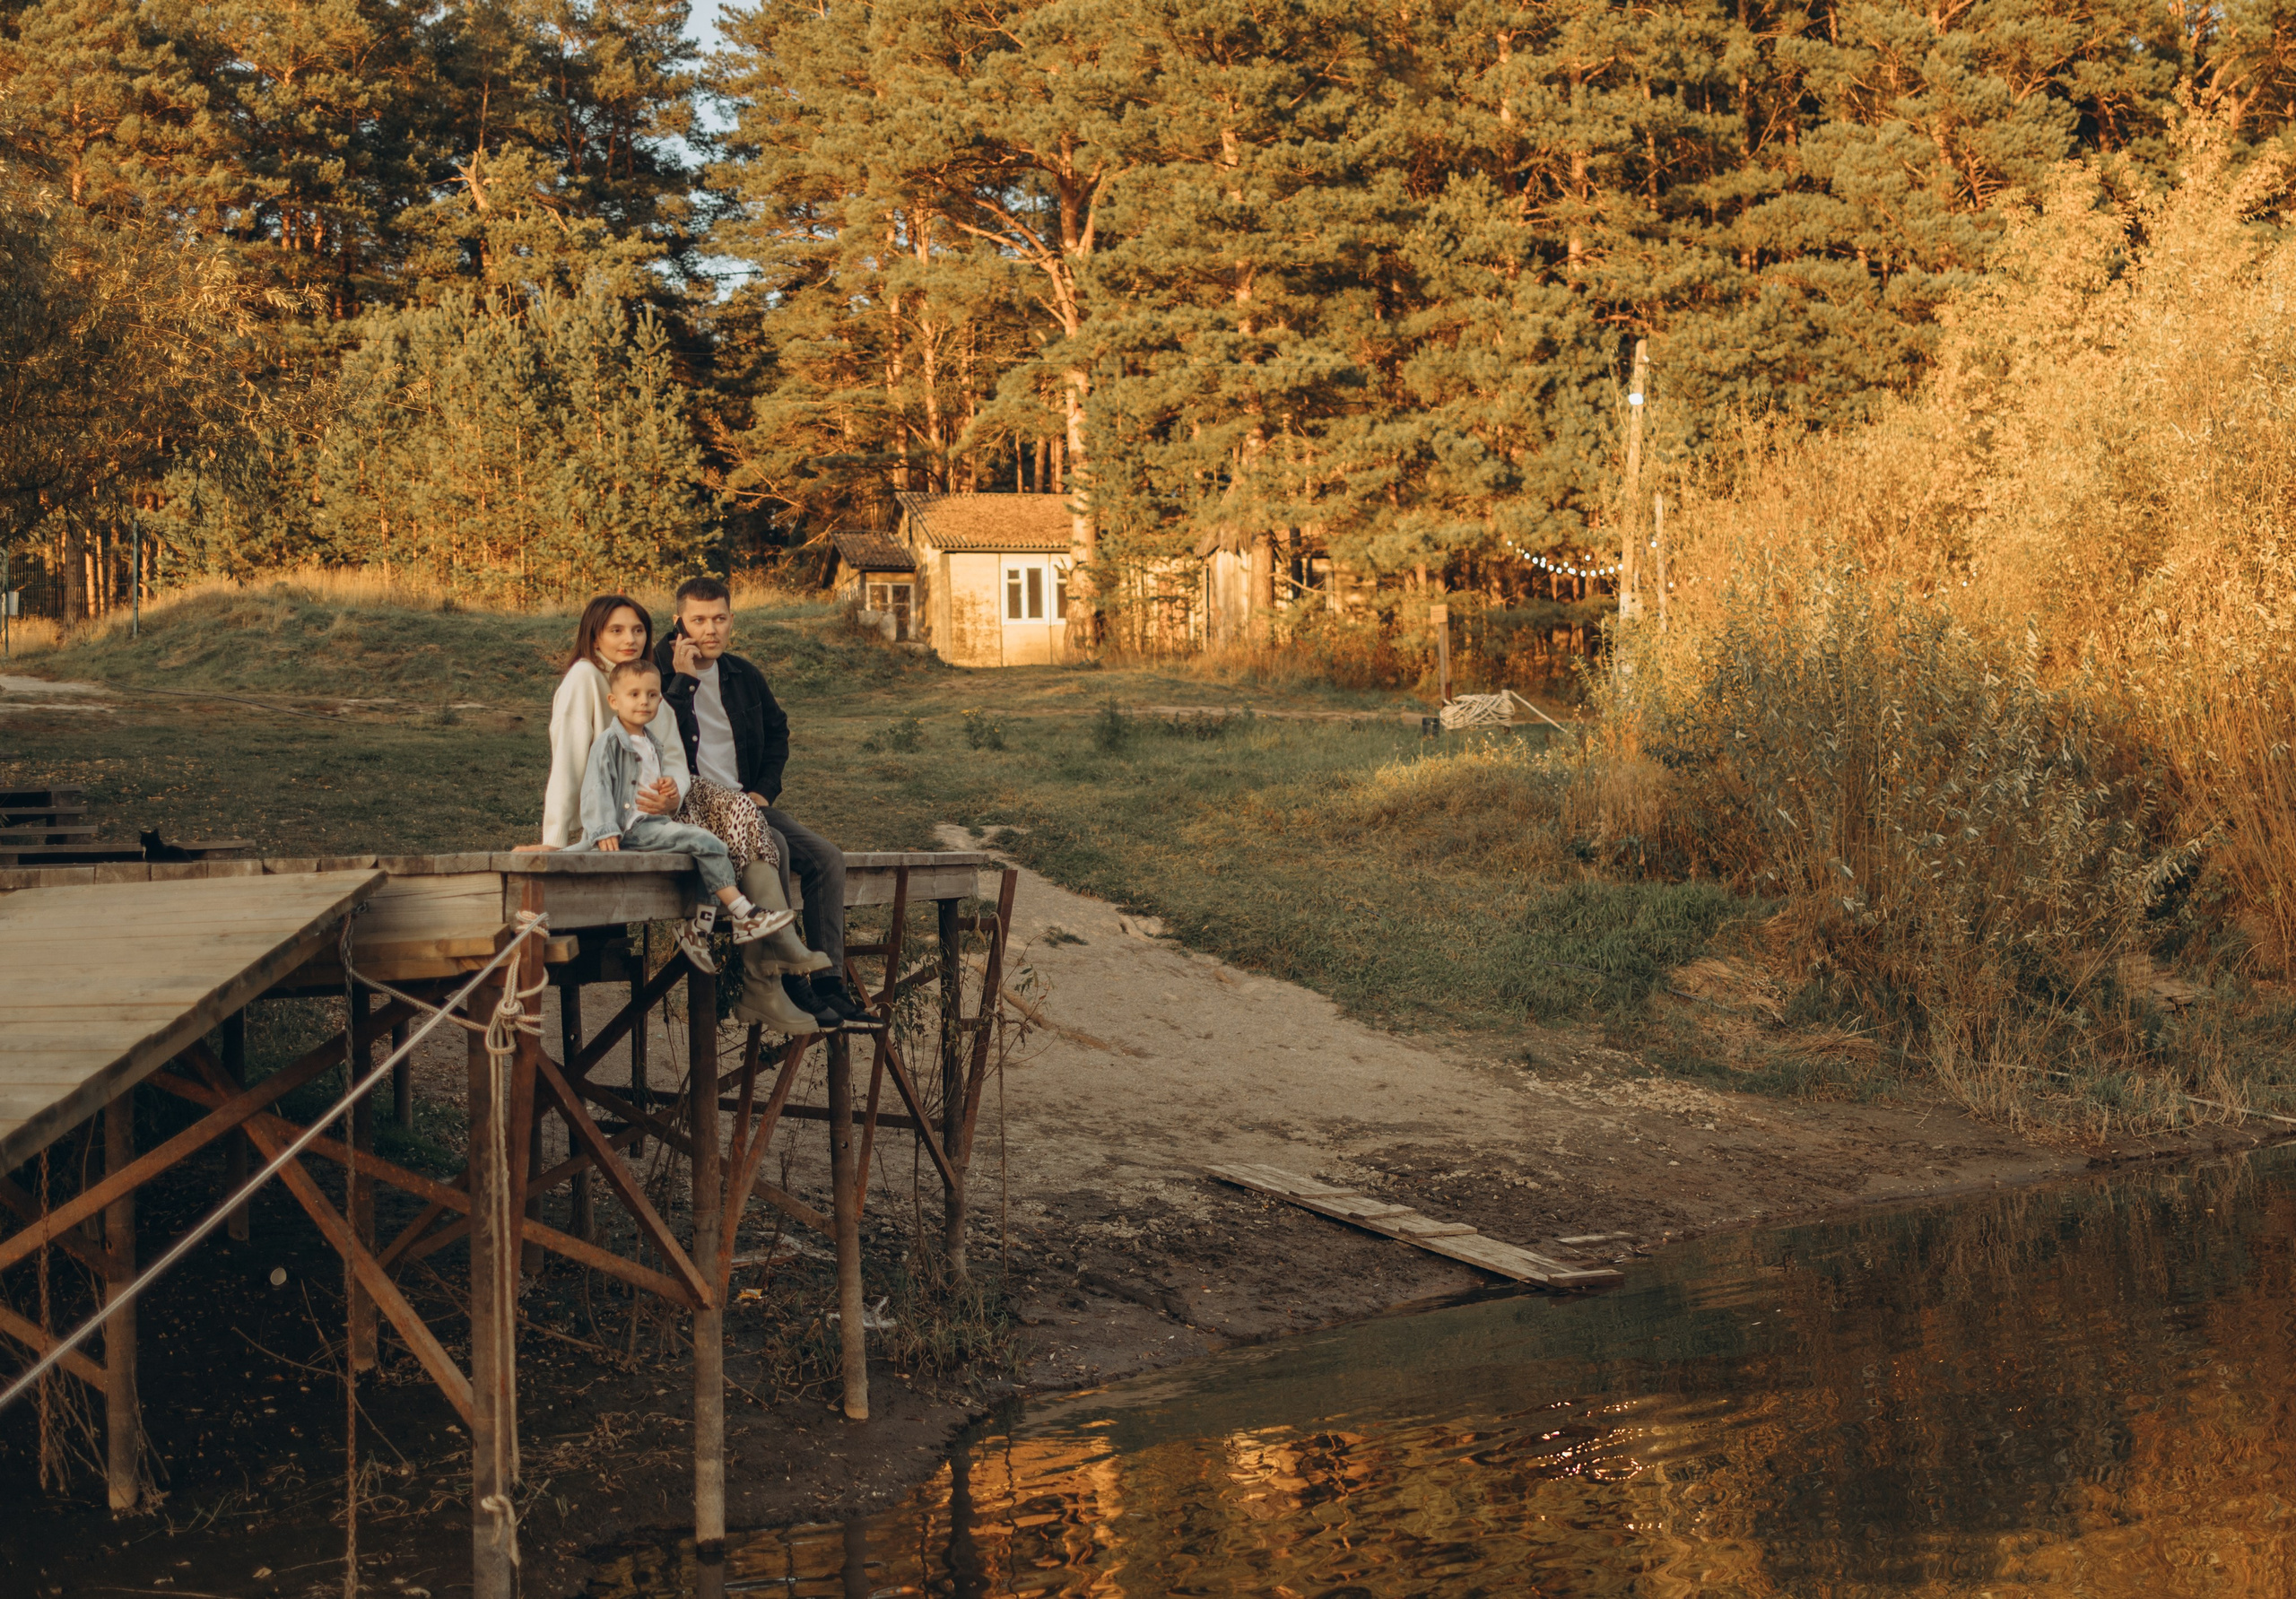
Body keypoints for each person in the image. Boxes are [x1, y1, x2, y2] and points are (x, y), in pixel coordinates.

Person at [655, 576, 876, 1028]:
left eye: (719, 618)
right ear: (679, 623)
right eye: (698, 620)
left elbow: (778, 731)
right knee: (776, 843)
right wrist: (682, 682)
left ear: (732, 620)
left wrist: (765, 789)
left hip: (746, 803)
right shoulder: (657, 674)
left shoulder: (743, 675)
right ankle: (790, 983)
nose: (710, 630)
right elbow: (654, 739)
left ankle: (829, 984)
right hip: (695, 811)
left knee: (828, 858)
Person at [569, 659, 806, 975]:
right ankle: (744, 913)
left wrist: (666, 785)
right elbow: (596, 785)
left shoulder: (652, 742)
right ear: (614, 701)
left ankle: (698, 929)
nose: (644, 702)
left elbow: (652, 778)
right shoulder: (609, 742)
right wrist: (603, 829)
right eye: (634, 694)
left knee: (704, 849)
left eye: (652, 695)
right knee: (707, 842)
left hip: (656, 823)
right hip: (632, 829)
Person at [541, 595, 688, 848]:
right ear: (595, 637)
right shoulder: (584, 676)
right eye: (616, 631)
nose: (630, 640)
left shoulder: (651, 691)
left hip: (653, 822)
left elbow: (675, 760)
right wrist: (554, 841)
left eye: (638, 630)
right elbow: (568, 763)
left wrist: (673, 795)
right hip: (604, 821)